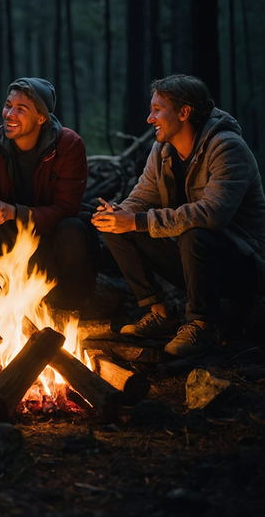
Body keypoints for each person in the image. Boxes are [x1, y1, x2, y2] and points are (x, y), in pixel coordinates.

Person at [92, 74, 265, 357]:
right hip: (195, 260)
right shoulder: (162, 150)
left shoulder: (227, 147)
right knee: (116, 226)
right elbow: (142, 196)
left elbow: (212, 215)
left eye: (158, 110)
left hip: (242, 264)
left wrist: (136, 220)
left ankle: (203, 325)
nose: (150, 118)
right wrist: (120, 212)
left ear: (184, 112)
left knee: (196, 233)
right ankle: (161, 314)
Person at [0, 77, 97, 313]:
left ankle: (71, 309)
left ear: (41, 117)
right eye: (8, 105)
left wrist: (15, 212)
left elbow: (66, 208)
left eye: (21, 109)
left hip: (51, 243)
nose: (10, 114)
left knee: (73, 227)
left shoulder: (68, 145)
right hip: (6, 244)